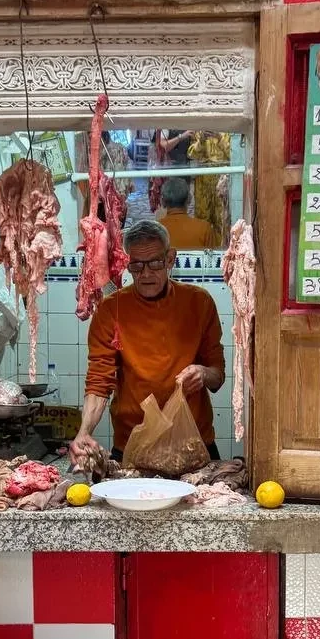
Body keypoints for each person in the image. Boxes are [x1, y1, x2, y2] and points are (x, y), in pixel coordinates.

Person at [69, 219, 224, 465]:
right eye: (137, 266)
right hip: (133, 445)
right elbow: (99, 380)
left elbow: (218, 376)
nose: (146, 274)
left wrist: (203, 373)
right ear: (127, 264)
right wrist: (84, 431)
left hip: (193, 442)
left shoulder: (199, 303)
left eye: (155, 263)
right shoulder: (111, 310)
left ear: (170, 259)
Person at [158, 177, 216, 250]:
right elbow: (213, 256)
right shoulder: (204, 229)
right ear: (189, 199)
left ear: (163, 202)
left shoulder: (154, 230)